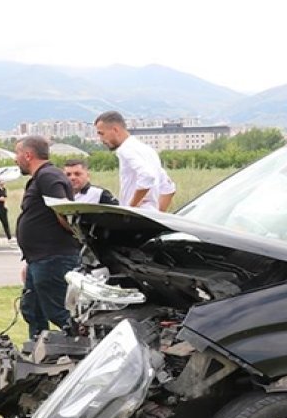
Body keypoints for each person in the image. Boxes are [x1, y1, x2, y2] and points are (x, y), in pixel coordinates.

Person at [13, 135, 79, 338]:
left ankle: (85, 346)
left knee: (58, 312)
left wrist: (71, 229)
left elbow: (65, 211)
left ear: (28, 154)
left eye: (17, 154)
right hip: (39, 259)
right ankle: (39, 350)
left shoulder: (48, 175)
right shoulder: (40, 177)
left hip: (53, 257)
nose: (15, 159)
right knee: (32, 309)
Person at [93, 111, 177, 211]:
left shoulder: (125, 150)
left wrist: (130, 207)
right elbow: (168, 188)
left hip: (137, 218)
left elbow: (147, 176)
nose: (101, 139)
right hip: (150, 216)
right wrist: (158, 214)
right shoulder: (148, 151)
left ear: (115, 129)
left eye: (102, 134)